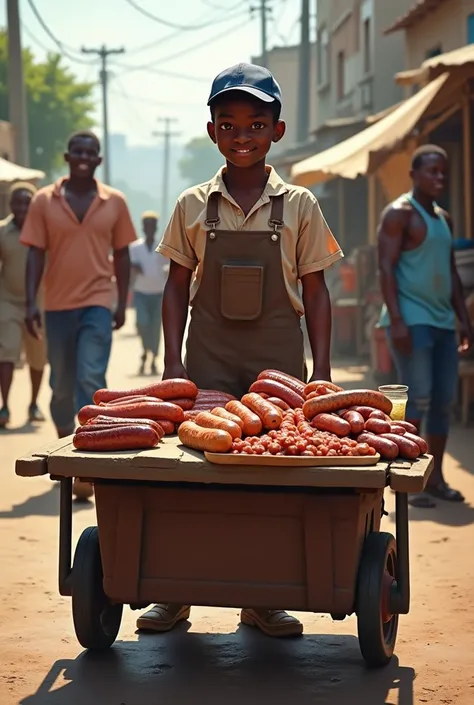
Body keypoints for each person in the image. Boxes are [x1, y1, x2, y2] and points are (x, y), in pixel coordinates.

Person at [136, 63, 343, 637]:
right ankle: (173, 594)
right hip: (208, 357)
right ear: (212, 133)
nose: (242, 135)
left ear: (277, 130)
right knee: (193, 472)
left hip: (280, 361)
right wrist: (174, 363)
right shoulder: (193, 204)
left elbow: (316, 291)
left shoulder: (299, 204)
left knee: (271, 475)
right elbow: (176, 287)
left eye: (256, 123)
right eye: (228, 125)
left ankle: (262, 598)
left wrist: (320, 372)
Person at [20, 131, 137, 500]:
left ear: (99, 161)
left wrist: (119, 302)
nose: (85, 157)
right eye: (79, 151)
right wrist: (29, 303)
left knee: (91, 377)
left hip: (98, 301)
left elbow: (122, 254)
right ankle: (65, 447)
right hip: (57, 304)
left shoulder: (114, 202)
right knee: (61, 387)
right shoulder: (43, 201)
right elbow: (35, 254)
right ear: (68, 156)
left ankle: (87, 462)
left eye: (92, 152)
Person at [378, 144, 472, 509]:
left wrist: (464, 321)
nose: (439, 178)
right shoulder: (399, 214)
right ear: (414, 174)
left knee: (443, 402)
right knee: (417, 398)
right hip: (410, 322)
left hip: (442, 323)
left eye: (443, 172)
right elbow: (385, 269)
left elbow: (450, 272)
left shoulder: (443, 219)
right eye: (432, 171)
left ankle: (435, 479)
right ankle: (408, 481)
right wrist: (397, 321)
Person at [0, 183, 47, 427]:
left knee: (38, 358)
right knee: (6, 353)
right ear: (10, 205)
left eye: (26, 203)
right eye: (17, 203)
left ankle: (33, 404)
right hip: (7, 301)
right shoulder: (2, 232)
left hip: (40, 304)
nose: (21, 208)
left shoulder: (44, 231)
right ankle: (5, 406)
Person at [130, 211, 169, 375]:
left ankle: (152, 357)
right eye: (146, 226)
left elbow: (170, 266)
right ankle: (145, 349)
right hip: (141, 292)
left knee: (155, 327)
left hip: (158, 293)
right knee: (142, 323)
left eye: (152, 226)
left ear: (156, 227)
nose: (149, 229)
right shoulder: (135, 247)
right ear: (143, 228)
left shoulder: (163, 247)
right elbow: (131, 267)